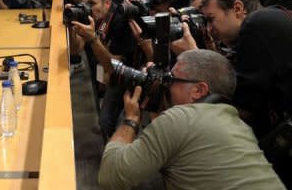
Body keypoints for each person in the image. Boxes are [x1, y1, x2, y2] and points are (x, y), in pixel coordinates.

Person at [98, 49, 285, 190]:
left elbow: (110, 175)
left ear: (199, 90)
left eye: (171, 80)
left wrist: (131, 119)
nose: (165, 86)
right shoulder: (241, 127)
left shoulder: (180, 119)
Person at [170, 0, 292, 187]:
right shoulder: (273, 15)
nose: (209, 29)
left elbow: (239, 108)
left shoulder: (256, 24)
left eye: (211, 19)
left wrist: (196, 57)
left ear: (237, 8)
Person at [67, 0, 135, 137]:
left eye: (92, 3)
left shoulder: (121, 20)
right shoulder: (90, 15)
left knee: (106, 122)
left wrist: (93, 39)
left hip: (123, 76)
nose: (87, 8)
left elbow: (114, 68)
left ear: (107, 3)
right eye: (84, 4)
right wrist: (70, 26)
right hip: (98, 70)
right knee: (101, 114)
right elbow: (76, 50)